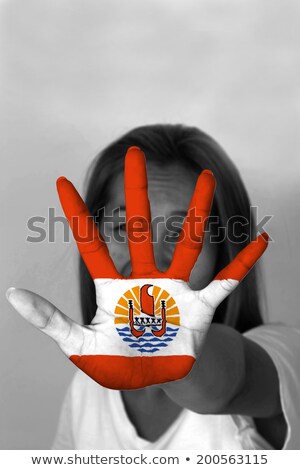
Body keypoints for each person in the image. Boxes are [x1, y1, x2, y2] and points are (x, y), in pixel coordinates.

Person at [6, 124, 300, 450]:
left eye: (179, 233)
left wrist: (167, 343)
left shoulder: (284, 352)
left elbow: (227, 383)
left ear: (225, 250)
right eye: (124, 228)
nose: (155, 265)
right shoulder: (88, 390)